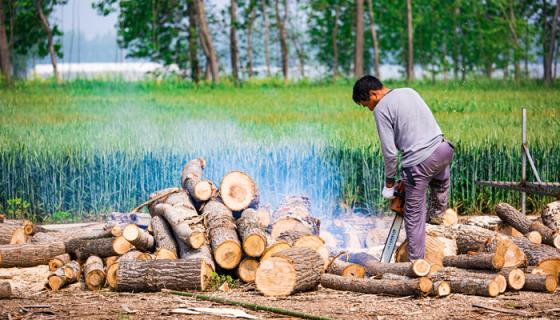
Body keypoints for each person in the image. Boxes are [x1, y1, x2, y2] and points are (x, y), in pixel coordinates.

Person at [352, 75, 454, 261]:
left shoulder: (381, 109)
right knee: (439, 179)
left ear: (373, 94)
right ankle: (438, 213)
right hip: (443, 150)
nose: (369, 108)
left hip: (420, 162)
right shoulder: (408, 91)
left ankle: (415, 264)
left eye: (366, 104)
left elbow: (390, 153)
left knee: (413, 216)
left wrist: (389, 184)